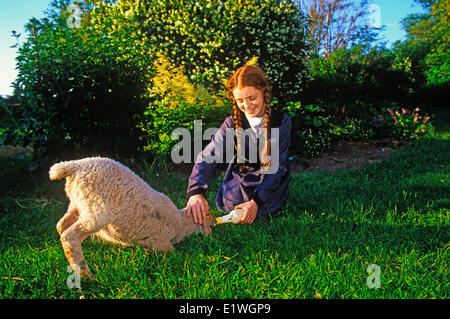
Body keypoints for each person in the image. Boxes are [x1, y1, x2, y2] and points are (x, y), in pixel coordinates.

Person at [185, 65, 291, 224]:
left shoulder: (282, 121)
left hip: (270, 178)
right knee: (231, 204)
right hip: (243, 173)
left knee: (263, 206)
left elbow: (276, 168)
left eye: (252, 98)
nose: (247, 106)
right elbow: (209, 155)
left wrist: (256, 202)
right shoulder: (231, 123)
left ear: (263, 91)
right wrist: (195, 192)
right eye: (240, 100)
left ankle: (261, 201)